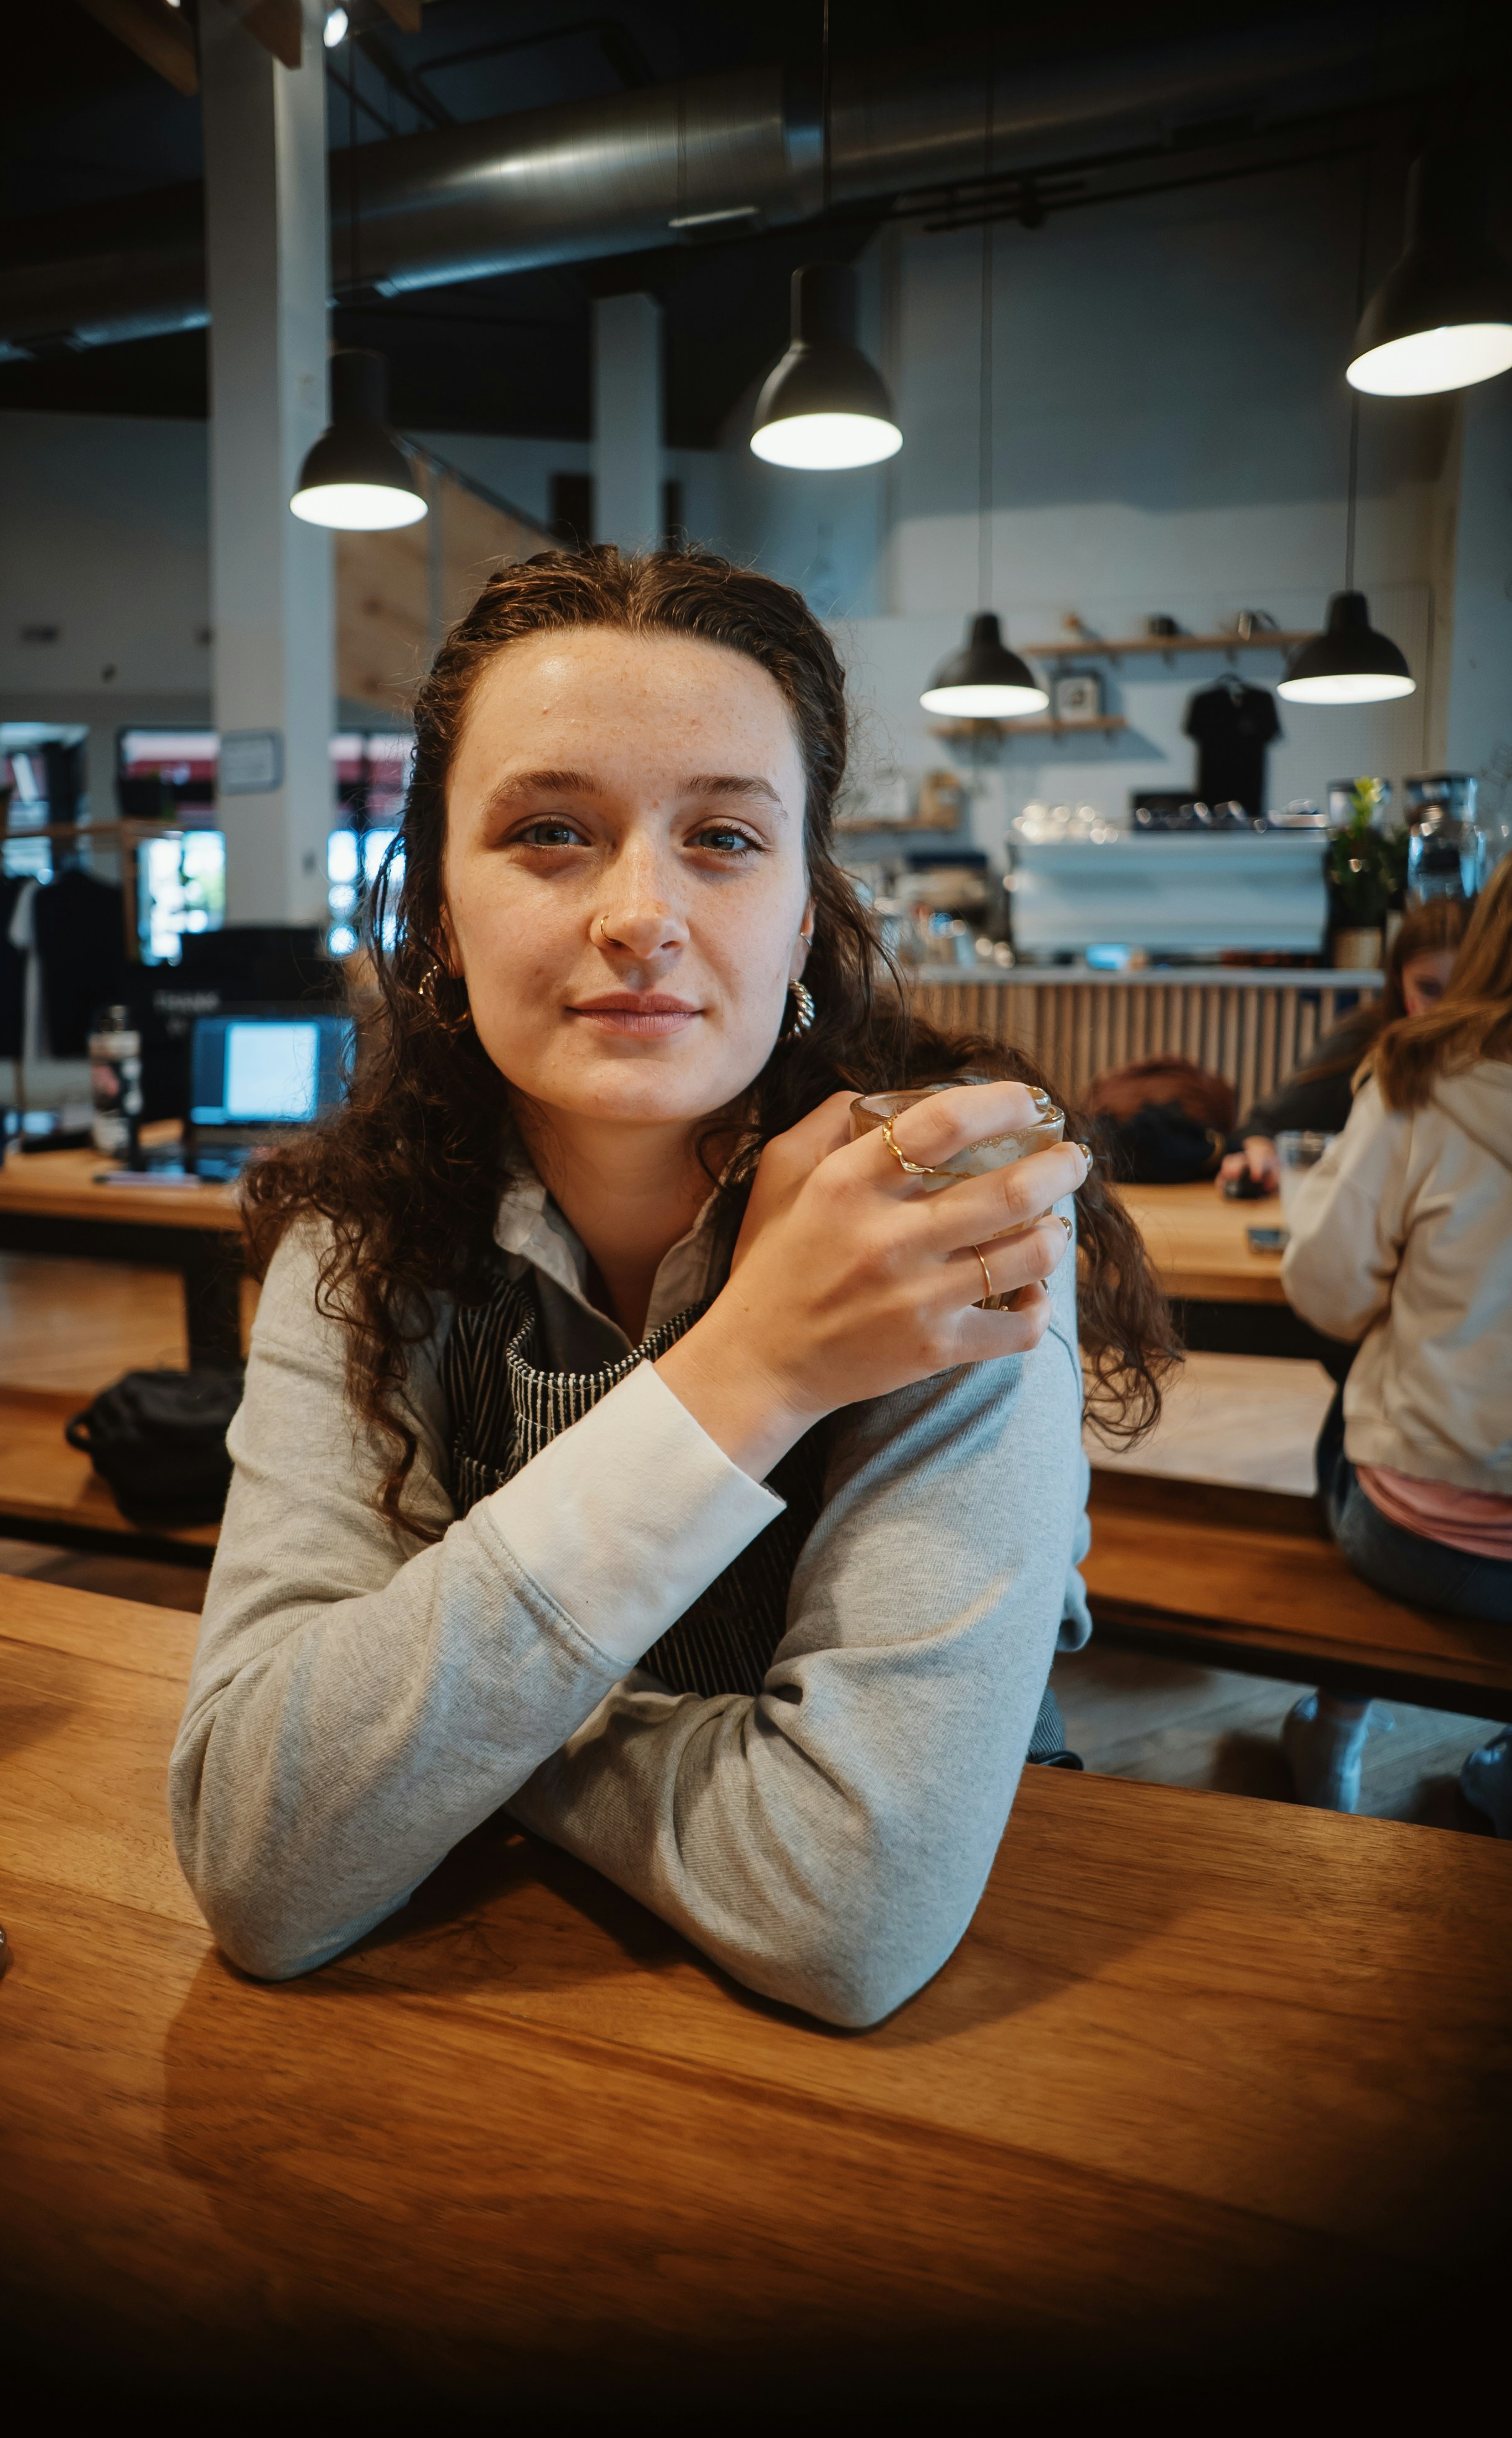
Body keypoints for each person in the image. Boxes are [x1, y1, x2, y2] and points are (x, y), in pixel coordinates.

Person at [168, 548, 1176, 2027]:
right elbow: (259, 1851)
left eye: (721, 837)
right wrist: (749, 1369)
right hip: (486, 2041)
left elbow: (846, 1900)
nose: (640, 912)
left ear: (803, 914)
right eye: (551, 830)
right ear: (437, 910)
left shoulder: (944, 1219)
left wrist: (448, 1739)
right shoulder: (357, 1241)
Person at [1279, 854, 1512, 1826]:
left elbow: (1326, 1290)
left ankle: (1335, 1727)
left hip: (1422, 1535)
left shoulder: (1425, 1075)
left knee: (1361, 1397)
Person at [1218, 897, 1470, 1194]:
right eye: (1429, 990)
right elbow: (1265, 1125)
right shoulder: (1368, 1044)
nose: (1444, 1012)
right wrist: (1261, 1156)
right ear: (1400, 980)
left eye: (1460, 993)